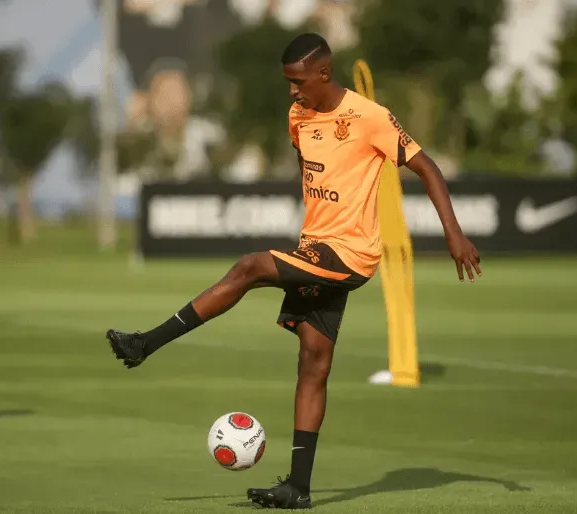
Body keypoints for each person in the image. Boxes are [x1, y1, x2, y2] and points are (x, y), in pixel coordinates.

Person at [106, 32, 482, 510]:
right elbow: (313, 170)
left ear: (324, 73)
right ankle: (298, 488)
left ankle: (146, 343)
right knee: (313, 363)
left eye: (298, 82)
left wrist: (454, 233)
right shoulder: (298, 116)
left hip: (349, 256)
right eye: (288, 82)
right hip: (316, 248)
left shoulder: (370, 117)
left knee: (250, 267)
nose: (292, 91)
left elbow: (428, 167)